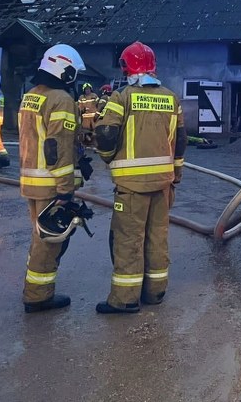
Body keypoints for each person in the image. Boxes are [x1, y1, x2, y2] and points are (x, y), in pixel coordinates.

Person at [94, 41, 186, 314]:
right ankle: (155, 293)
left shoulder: (122, 97)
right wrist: (176, 174)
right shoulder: (171, 98)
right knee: (157, 237)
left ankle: (124, 299)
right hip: (163, 183)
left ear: (126, 67)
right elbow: (180, 142)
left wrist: (108, 157)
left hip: (131, 187)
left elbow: (106, 134)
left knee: (128, 240)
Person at [18, 43, 89, 314]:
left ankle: (34, 289)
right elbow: (57, 146)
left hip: (31, 180)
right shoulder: (61, 100)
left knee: (40, 237)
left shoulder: (31, 95)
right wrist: (65, 190)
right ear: (63, 69)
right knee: (49, 242)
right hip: (50, 184)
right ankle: (38, 296)